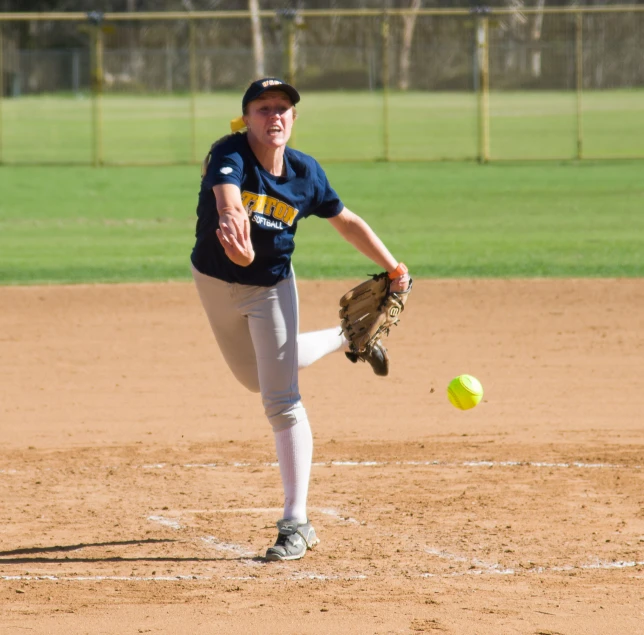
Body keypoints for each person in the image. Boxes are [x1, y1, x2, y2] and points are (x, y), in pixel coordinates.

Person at [190, 77, 411, 562]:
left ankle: (296, 522)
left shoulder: (305, 173)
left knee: (281, 399)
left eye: (284, 108)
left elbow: (345, 220)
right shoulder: (230, 155)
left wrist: (394, 267)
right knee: (252, 379)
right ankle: (347, 336)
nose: (275, 116)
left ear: (293, 118)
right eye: (264, 108)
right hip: (213, 283)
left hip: (270, 289)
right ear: (246, 117)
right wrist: (232, 223)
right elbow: (227, 197)